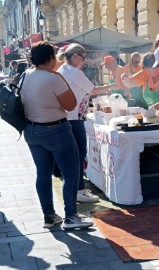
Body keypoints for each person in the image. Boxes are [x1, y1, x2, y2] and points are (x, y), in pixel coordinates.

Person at [20, 41, 94, 229]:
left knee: (43, 174)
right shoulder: (53, 78)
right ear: (51, 58)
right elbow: (70, 105)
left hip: (32, 130)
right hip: (56, 129)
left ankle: (49, 216)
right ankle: (71, 216)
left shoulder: (25, 75)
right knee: (71, 172)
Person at [56, 43, 118, 203]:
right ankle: (78, 190)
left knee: (75, 155)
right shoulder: (74, 72)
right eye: (83, 58)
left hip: (66, 117)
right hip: (73, 119)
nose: (84, 61)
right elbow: (93, 90)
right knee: (79, 154)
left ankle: (79, 188)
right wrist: (113, 85)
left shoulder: (62, 69)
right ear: (75, 56)